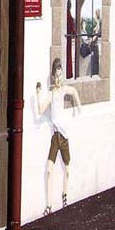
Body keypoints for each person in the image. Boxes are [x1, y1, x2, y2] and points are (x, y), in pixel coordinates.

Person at [36, 58, 81, 216]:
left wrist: (78, 106)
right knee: (49, 170)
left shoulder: (63, 90)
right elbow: (41, 110)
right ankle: (49, 204)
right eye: (56, 76)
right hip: (56, 137)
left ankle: (65, 195)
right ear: (53, 77)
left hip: (65, 136)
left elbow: (74, 91)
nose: (58, 79)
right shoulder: (51, 94)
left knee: (67, 170)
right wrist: (38, 94)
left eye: (60, 75)